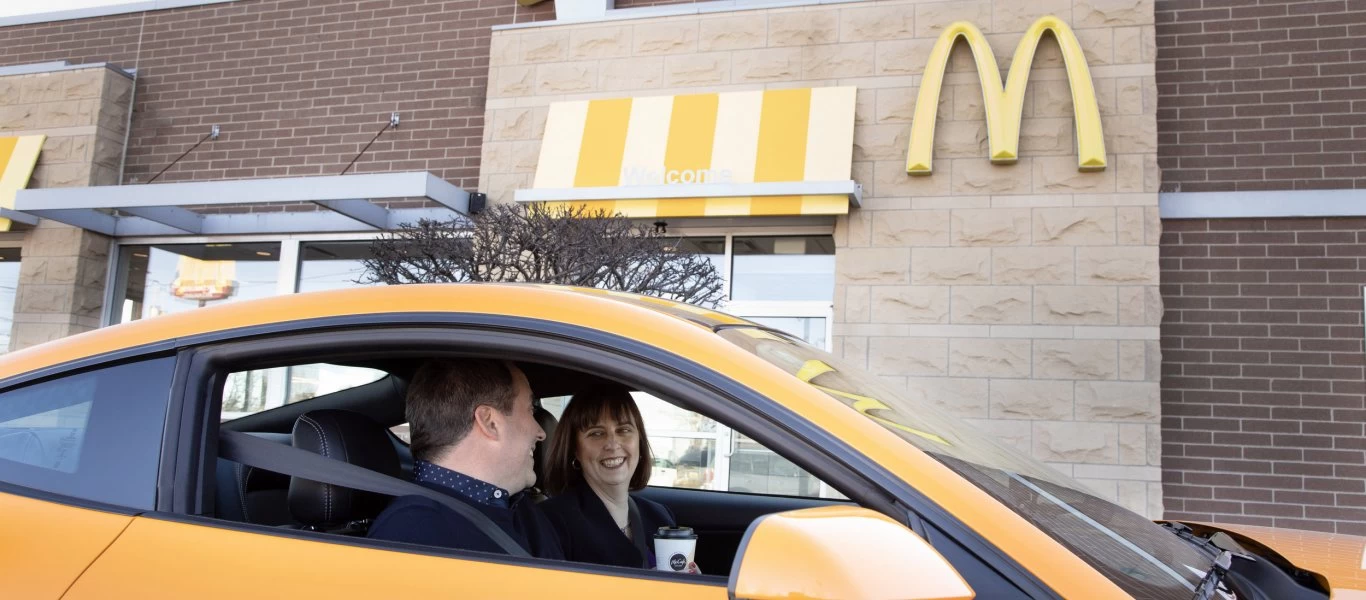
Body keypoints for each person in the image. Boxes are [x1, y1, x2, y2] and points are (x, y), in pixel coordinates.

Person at [368, 358, 563, 559]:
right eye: (531, 409)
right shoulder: (412, 535)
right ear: (490, 423)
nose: (541, 433)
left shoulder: (522, 508)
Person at [539, 386, 696, 571]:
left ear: (639, 440)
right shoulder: (550, 521)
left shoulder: (659, 516)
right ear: (575, 450)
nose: (612, 444)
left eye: (623, 430)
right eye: (596, 433)